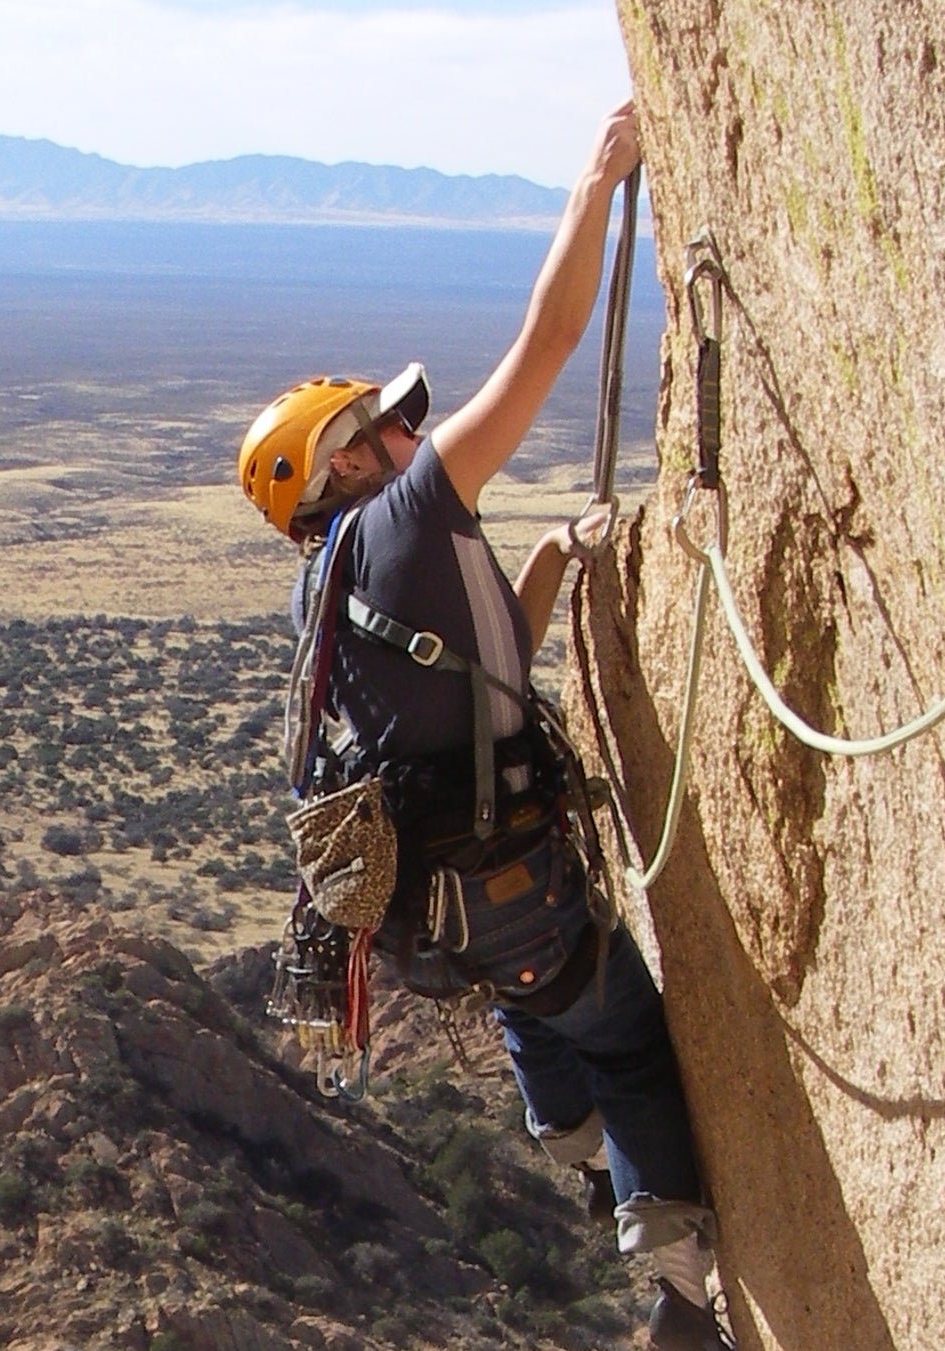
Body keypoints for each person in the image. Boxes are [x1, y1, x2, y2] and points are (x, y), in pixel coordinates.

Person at [236, 103, 731, 1351]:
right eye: (383, 425)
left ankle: (568, 1145)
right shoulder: (404, 514)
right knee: (619, 1029)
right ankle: (681, 1283)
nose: (411, 429)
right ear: (345, 463)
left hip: (443, 911)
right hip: (510, 884)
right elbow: (550, 341)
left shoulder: (326, 584)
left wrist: (557, 563)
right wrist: (598, 180)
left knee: (533, 997)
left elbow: (469, 671)